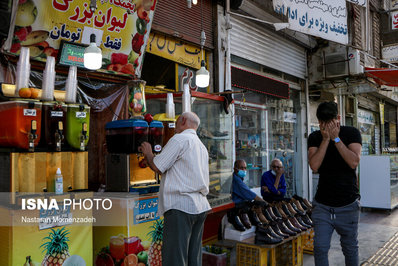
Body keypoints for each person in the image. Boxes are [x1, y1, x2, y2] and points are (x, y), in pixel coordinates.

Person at [139, 112, 211, 266]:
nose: (175, 128)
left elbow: (158, 166)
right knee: (193, 259)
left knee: (175, 259)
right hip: (200, 207)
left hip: (181, 207)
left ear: (183, 121)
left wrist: (148, 153)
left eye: (177, 123)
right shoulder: (201, 146)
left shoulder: (180, 139)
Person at [308, 101, 362, 266]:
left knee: (350, 248)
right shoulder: (315, 137)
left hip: (348, 204)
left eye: (329, 122)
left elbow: (354, 162)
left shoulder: (351, 133)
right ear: (319, 122)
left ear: (338, 118)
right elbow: (314, 166)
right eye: (322, 123)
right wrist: (325, 140)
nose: (326, 126)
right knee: (320, 247)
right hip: (323, 205)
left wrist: (336, 139)